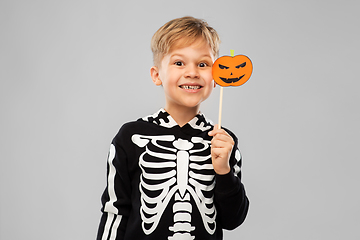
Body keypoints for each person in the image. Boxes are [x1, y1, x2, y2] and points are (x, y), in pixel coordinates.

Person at [97, 16, 249, 240]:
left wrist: (224, 171)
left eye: (203, 64)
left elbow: (233, 219)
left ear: (216, 77)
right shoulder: (131, 137)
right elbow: (115, 213)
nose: (192, 72)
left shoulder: (223, 142)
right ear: (157, 75)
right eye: (179, 63)